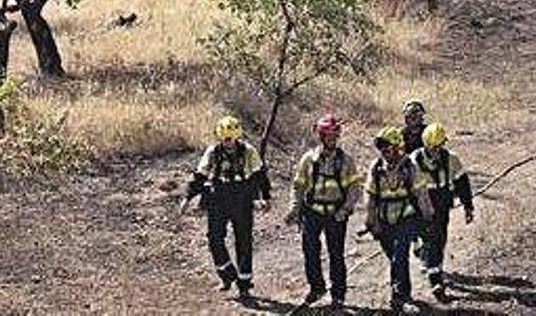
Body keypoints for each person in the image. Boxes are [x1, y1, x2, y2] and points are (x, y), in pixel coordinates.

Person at [179, 116, 271, 299]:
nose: (227, 142)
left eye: (230, 138)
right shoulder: (213, 152)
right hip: (218, 198)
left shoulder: (248, 151)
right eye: (224, 138)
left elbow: (260, 175)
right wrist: (187, 197)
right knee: (214, 238)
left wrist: (266, 197)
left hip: (242, 198)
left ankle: (244, 284)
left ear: (236, 136)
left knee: (243, 241)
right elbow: (200, 176)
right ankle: (227, 274)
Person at [285, 114, 362, 310]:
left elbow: (354, 188)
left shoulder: (346, 161)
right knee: (310, 251)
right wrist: (294, 209)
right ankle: (316, 288)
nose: (332, 140)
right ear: (321, 136)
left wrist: (345, 210)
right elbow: (298, 186)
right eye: (328, 136)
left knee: (336, 254)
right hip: (311, 212)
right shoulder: (308, 160)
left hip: (336, 213)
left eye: (334, 136)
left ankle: (338, 293)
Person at [365, 126, 434, 314]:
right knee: (395, 259)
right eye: (382, 150)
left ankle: (402, 297)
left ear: (397, 147)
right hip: (384, 220)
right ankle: (399, 291)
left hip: (406, 217)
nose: (384, 153)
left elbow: (421, 193)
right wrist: (371, 221)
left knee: (399, 256)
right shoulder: (376, 167)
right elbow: (370, 196)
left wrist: (428, 218)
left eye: (388, 148)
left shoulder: (409, 166)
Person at [410, 122, 474, 302]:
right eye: (433, 148)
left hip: (442, 206)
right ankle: (435, 280)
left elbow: (462, 182)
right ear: (426, 145)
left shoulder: (451, 159)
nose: (437, 151)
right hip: (422, 206)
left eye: (440, 146)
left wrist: (468, 206)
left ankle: (429, 262)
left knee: (440, 240)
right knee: (432, 241)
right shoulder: (413, 162)